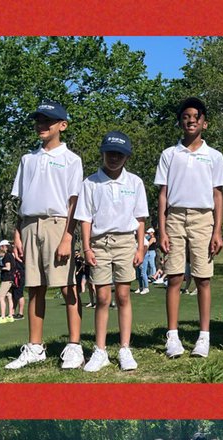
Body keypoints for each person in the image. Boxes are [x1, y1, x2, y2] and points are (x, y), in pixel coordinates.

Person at [6, 102, 85, 371]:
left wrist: (67, 237)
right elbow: (22, 198)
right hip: (29, 225)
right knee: (34, 287)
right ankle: (35, 347)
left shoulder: (71, 160)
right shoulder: (28, 159)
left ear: (62, 125)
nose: (42, 125)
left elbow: (74, 202)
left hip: (58, 224)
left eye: (48, 121)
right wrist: (17, 232)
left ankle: (74, 346)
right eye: (39, 120)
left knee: (67, 286)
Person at [155, 98, 223, 359]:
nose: (191, 120)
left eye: (196, 116)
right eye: (186, 116)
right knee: (174, 276)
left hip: (203, 218)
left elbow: (217, 195)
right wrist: (161, 230)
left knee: (202, 278)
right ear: (180, 122)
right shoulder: (169, 154)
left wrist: (217, 230)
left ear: (204, 123)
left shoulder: (214, 156)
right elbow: (163, 194)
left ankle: (203, 337)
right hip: (174, 217)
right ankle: (172, 336)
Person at [78, 131, 148, 373]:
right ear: (103, 153)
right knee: (102, 297)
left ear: (126, 157)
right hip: (98, 243)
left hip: (126, 242)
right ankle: (100, 350)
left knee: (124, 295)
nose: (114, 158)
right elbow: (85, 219)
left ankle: (125, 348)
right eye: (110, 153)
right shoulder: (90, 182)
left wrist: (141, 247)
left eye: (119, 154)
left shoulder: (135, 183)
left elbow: (140, 218)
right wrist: (86, 247)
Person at [0, 240, 16, 323]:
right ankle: (10, 315)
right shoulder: (10, 255)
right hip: (11, 279)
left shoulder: (7, 256)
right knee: (9, 297)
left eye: (1, 247)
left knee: (1, 297)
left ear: (4, 246)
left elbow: (8, 267)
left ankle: (3, 317)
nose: (0, 248)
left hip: (7, 279)